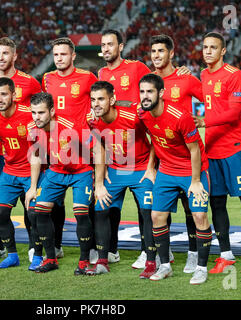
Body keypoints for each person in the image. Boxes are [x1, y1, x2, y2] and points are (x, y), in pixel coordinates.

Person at [193, 32, 241, 278]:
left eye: (213, 47)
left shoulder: (235, 75)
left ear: (223, 51)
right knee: (217, 203)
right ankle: (226, 255)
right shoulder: (202, 75)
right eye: (205, 47)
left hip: (235, 149)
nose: (207, 51)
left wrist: (204, 121)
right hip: (212, 151)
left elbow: (232, 115)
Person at [138, 73, 212, 285]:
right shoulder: (144, 114)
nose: (145, 96)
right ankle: (165, 266)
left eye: (150, 91)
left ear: (161, 93)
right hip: (167, 171)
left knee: (199, 217)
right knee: (156, 216)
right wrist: (151, 166)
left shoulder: (180, 116)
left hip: (192, 169)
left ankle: (201, 268)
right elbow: (154, 139)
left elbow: (195, 150)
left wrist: (196, 181)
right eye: (142, 91)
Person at [89, 81, 157, 277]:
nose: (96, 104)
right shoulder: (93, 120)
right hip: (117, 170)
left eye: (101, 99)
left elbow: (155, 136)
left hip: (141, 169)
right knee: (100, 207)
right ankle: (102, 260)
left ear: (112, 99)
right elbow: (99, 148)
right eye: (93, 100)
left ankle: (151, 261)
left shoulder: (134, 115)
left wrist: (151, 167)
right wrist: (99, 182)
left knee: (147, 212)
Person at [0, 37, 42, 262]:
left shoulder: (30, 82)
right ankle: (1, 245)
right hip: (1, 153)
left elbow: (42, 110)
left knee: (32, 206)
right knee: (0, 205)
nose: (1, 58)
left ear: (15, 56)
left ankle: (36, 247)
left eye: (6, 53)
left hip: (29, 154)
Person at [97, 29, 151, 266]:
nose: (106, 48)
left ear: (121, 46)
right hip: (115, 148)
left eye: (111, 44)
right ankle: (111, 250)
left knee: (145, 206)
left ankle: (149, 250)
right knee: (110, 206)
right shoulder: (101, 72)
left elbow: (156, 84)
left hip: (137, 138)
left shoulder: (137, 67)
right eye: (103, 44)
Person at [150, 34, 204, 273]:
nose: (156, 56)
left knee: (190, 209)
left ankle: (194, 253)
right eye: (153, 52)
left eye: (161, 51)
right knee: (162, 209)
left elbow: (211, 101)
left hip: (188, 154)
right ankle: (166, 254)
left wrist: (205, 119)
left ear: (171, 53)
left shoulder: (186, 79)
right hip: (164, 154)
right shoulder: (149, 82)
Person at [41, 37, 98, 260]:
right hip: (55, 147)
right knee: (55, 202)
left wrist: (94, 113)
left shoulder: (87, 77)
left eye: (63, 54)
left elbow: (99, 99)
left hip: (83, 146)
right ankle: (55, 246)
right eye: (56, 55)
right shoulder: (47, 78)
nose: (59, 58)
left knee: (85, 204)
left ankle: (91, 248)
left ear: (73, 56)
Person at [26, 92, 94, 274]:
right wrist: (33, 187)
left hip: (81, 171)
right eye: (33, 112)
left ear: (52, 111)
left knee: (80, 212)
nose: (36, 117)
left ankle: (84, 261)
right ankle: (50, 259)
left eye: (40, 113)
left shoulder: (71, 127)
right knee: (40, 211)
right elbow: (36, 156)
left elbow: (97, 149)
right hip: (56, 171)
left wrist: (99, 180)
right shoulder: (33, 129)